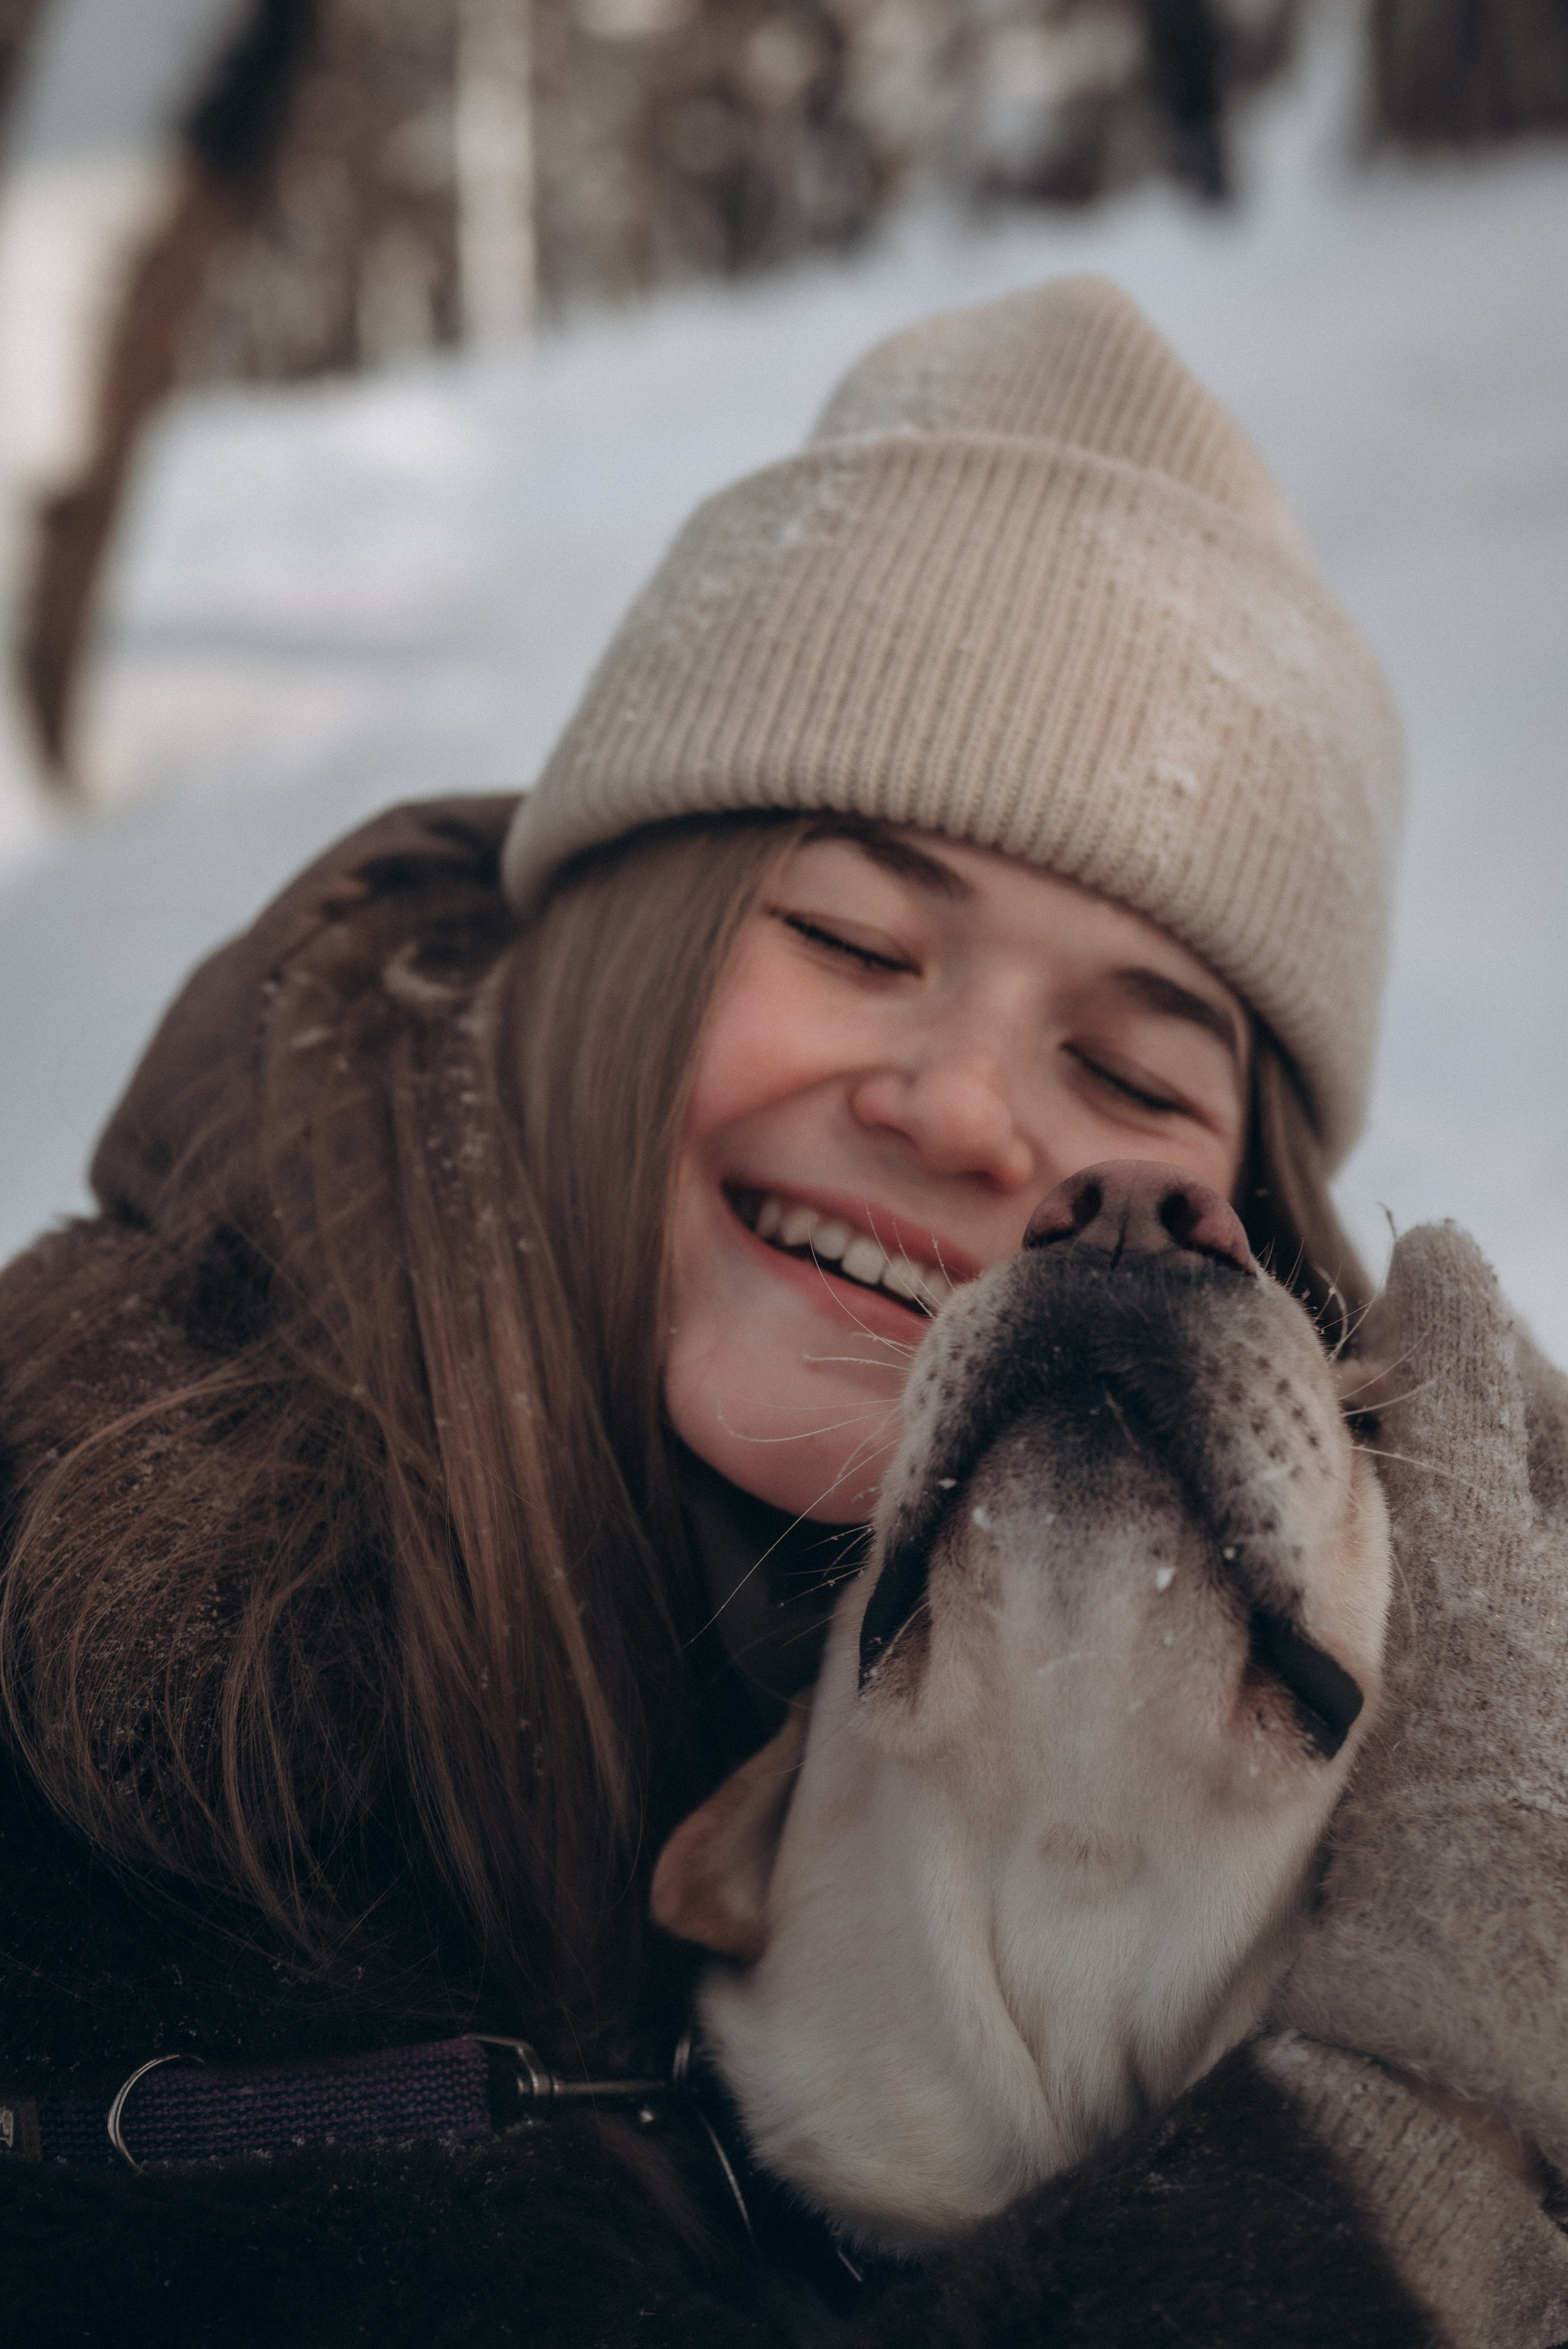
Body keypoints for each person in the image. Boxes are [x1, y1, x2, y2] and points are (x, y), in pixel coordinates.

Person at [1, 277, 1562, 2348]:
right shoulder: (86, 1587)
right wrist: (1372, 2199)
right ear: (627, 951)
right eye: (851, 934)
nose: (972, 1119)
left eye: (1136, 1079)